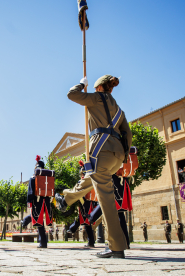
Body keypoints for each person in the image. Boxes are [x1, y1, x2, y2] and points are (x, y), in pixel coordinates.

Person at [54, 75, 132, 259]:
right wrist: (124, 157)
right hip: (117, 155)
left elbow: (71, 95)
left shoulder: (97, 97)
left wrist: (81, 84)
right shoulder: (119, 111)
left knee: (106, 200)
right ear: (110, 89)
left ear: (98, 88)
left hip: (101, 150)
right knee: (93, 178)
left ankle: (116, 247)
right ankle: (66, 200)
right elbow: (127, 134)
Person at [21, 156, 53, 248]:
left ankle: (43, 243)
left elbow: (30, 192)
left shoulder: (33, 177)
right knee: (39, 221)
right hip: (46, 201)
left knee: (39, 222)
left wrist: (29, 202)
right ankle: (42, 241)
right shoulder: (48, 177)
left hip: (37, 201)